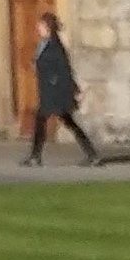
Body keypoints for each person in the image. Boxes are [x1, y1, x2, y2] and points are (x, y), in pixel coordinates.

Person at [20, 12, 100, 167]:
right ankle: (91, 154)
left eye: (41, 26)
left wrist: (74, 90)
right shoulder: (44, 45)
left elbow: (64, 69)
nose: (38, 28)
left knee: (46, 120)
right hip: (48, 91)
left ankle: (35, 157)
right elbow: (44, 65)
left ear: (48, 27)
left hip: (55, 92)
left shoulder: (55, 46)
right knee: (66, 122)